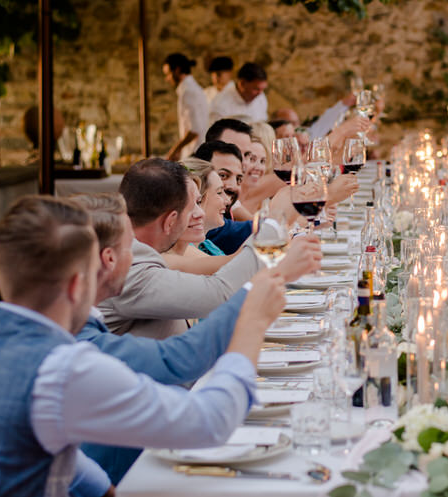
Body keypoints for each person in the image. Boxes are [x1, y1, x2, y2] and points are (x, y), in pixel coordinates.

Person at [0, 195, 287, 497]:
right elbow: (209, 422)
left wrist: (100, 488)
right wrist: (252, 319)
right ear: (77, 284)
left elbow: (48, 441)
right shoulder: (63, 369)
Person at [68, 193, 306, 484]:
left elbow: (74, 466)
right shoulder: (78, 348)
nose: (138, 253)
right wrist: (253, 303)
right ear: (109, 258)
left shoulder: (73, 331)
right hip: (132, 467)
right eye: (131, 245)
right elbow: (181, 364)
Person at [97, 158, 321, 338]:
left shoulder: (136, 251)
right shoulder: (127, 265)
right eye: (194, 205)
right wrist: (273, 221)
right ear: (170, 221)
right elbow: (218, 294)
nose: (200, 213)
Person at [163, 53, 208, 161]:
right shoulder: (191, 89)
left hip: (195, 154)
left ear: (177, 70)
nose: (167, 79)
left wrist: (175, 150)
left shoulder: (189, 92)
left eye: (168, 74)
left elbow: (194, 130)